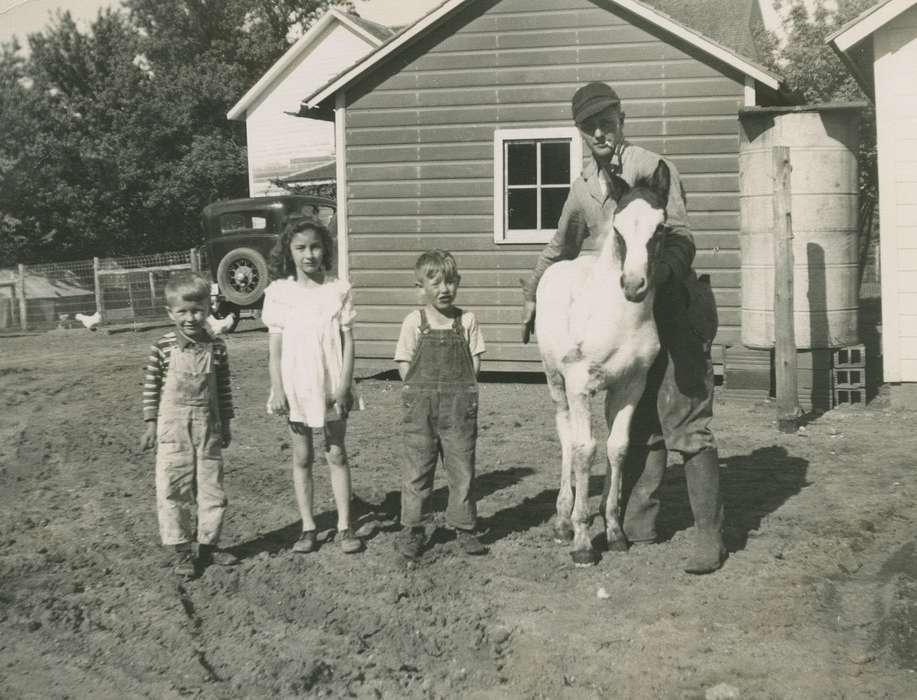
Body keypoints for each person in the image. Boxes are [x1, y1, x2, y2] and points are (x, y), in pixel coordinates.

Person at [520, 81, 726, 574]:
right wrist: (531, 292)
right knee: (641, 425)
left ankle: (710, 536)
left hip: (667, 309)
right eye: (588, 125)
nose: (599, 131)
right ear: (579, 133)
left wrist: (658, 275)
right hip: (613, 323)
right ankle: (640, 520)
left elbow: (683, 238)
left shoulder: (653, 169)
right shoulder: (583, 189)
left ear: (621, 118)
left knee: (686, 421)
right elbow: (561, 247)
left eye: (606, 120)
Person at [262, 216, 363, 555]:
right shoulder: (279, 294)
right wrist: (278, 389)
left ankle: (345, 525)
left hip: (332, 383)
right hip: (297, 387)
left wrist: (345, 386)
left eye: (316, 246)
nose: (309, 255)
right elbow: (275, 351)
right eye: (301, 247)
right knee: (302, 456)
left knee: (336, 452)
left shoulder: (338, 290)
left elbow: (348, 343)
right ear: (289, 252)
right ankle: (307, 526)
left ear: (326, 249)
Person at [140, 271, 237, 578]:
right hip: (172, 428)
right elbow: (151, 386)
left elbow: (223, 388)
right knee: (173, 485)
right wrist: (150, 423)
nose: (190, 318)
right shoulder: (163, 346)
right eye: (182, 311)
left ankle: (208, 545)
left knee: (211, 487)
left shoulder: (217, 347)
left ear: (208, 309)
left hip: (209, 426)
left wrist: (227, 423)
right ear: (170, 312)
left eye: (197, 310)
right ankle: (181, 549)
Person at [394, 249, 487, 561]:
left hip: (459, 408)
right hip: (421, 409)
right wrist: (420, 394)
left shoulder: (467, 321)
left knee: (461, 468)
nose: (444, 289)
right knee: (417, 469)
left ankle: (464, 526)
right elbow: (404, 364)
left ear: (457, 283)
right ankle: (414, 528)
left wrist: (459, 393)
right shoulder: (414, 322)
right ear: (420, 287)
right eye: (435, 284)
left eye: (450, 282)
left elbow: (475, 363)